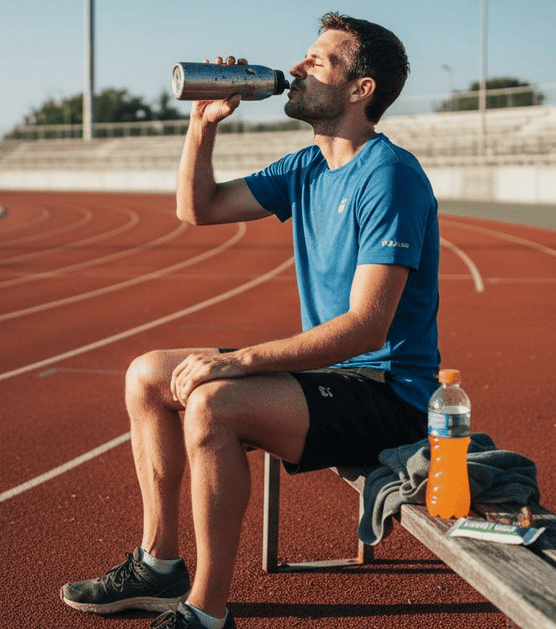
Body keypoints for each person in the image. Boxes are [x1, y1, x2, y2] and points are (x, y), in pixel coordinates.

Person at [61, 12, 440, 629]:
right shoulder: (307, 167)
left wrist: (239, 361)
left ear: (359, 90)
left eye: (317, 61)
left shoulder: (390, 177)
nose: (295, 69)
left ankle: (207, 613)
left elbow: (368, 328)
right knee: (146, 374)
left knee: (214, 404)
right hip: (336, 377)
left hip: (388, 393)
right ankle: (159, 565)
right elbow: (197, 207)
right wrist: (201, 124)